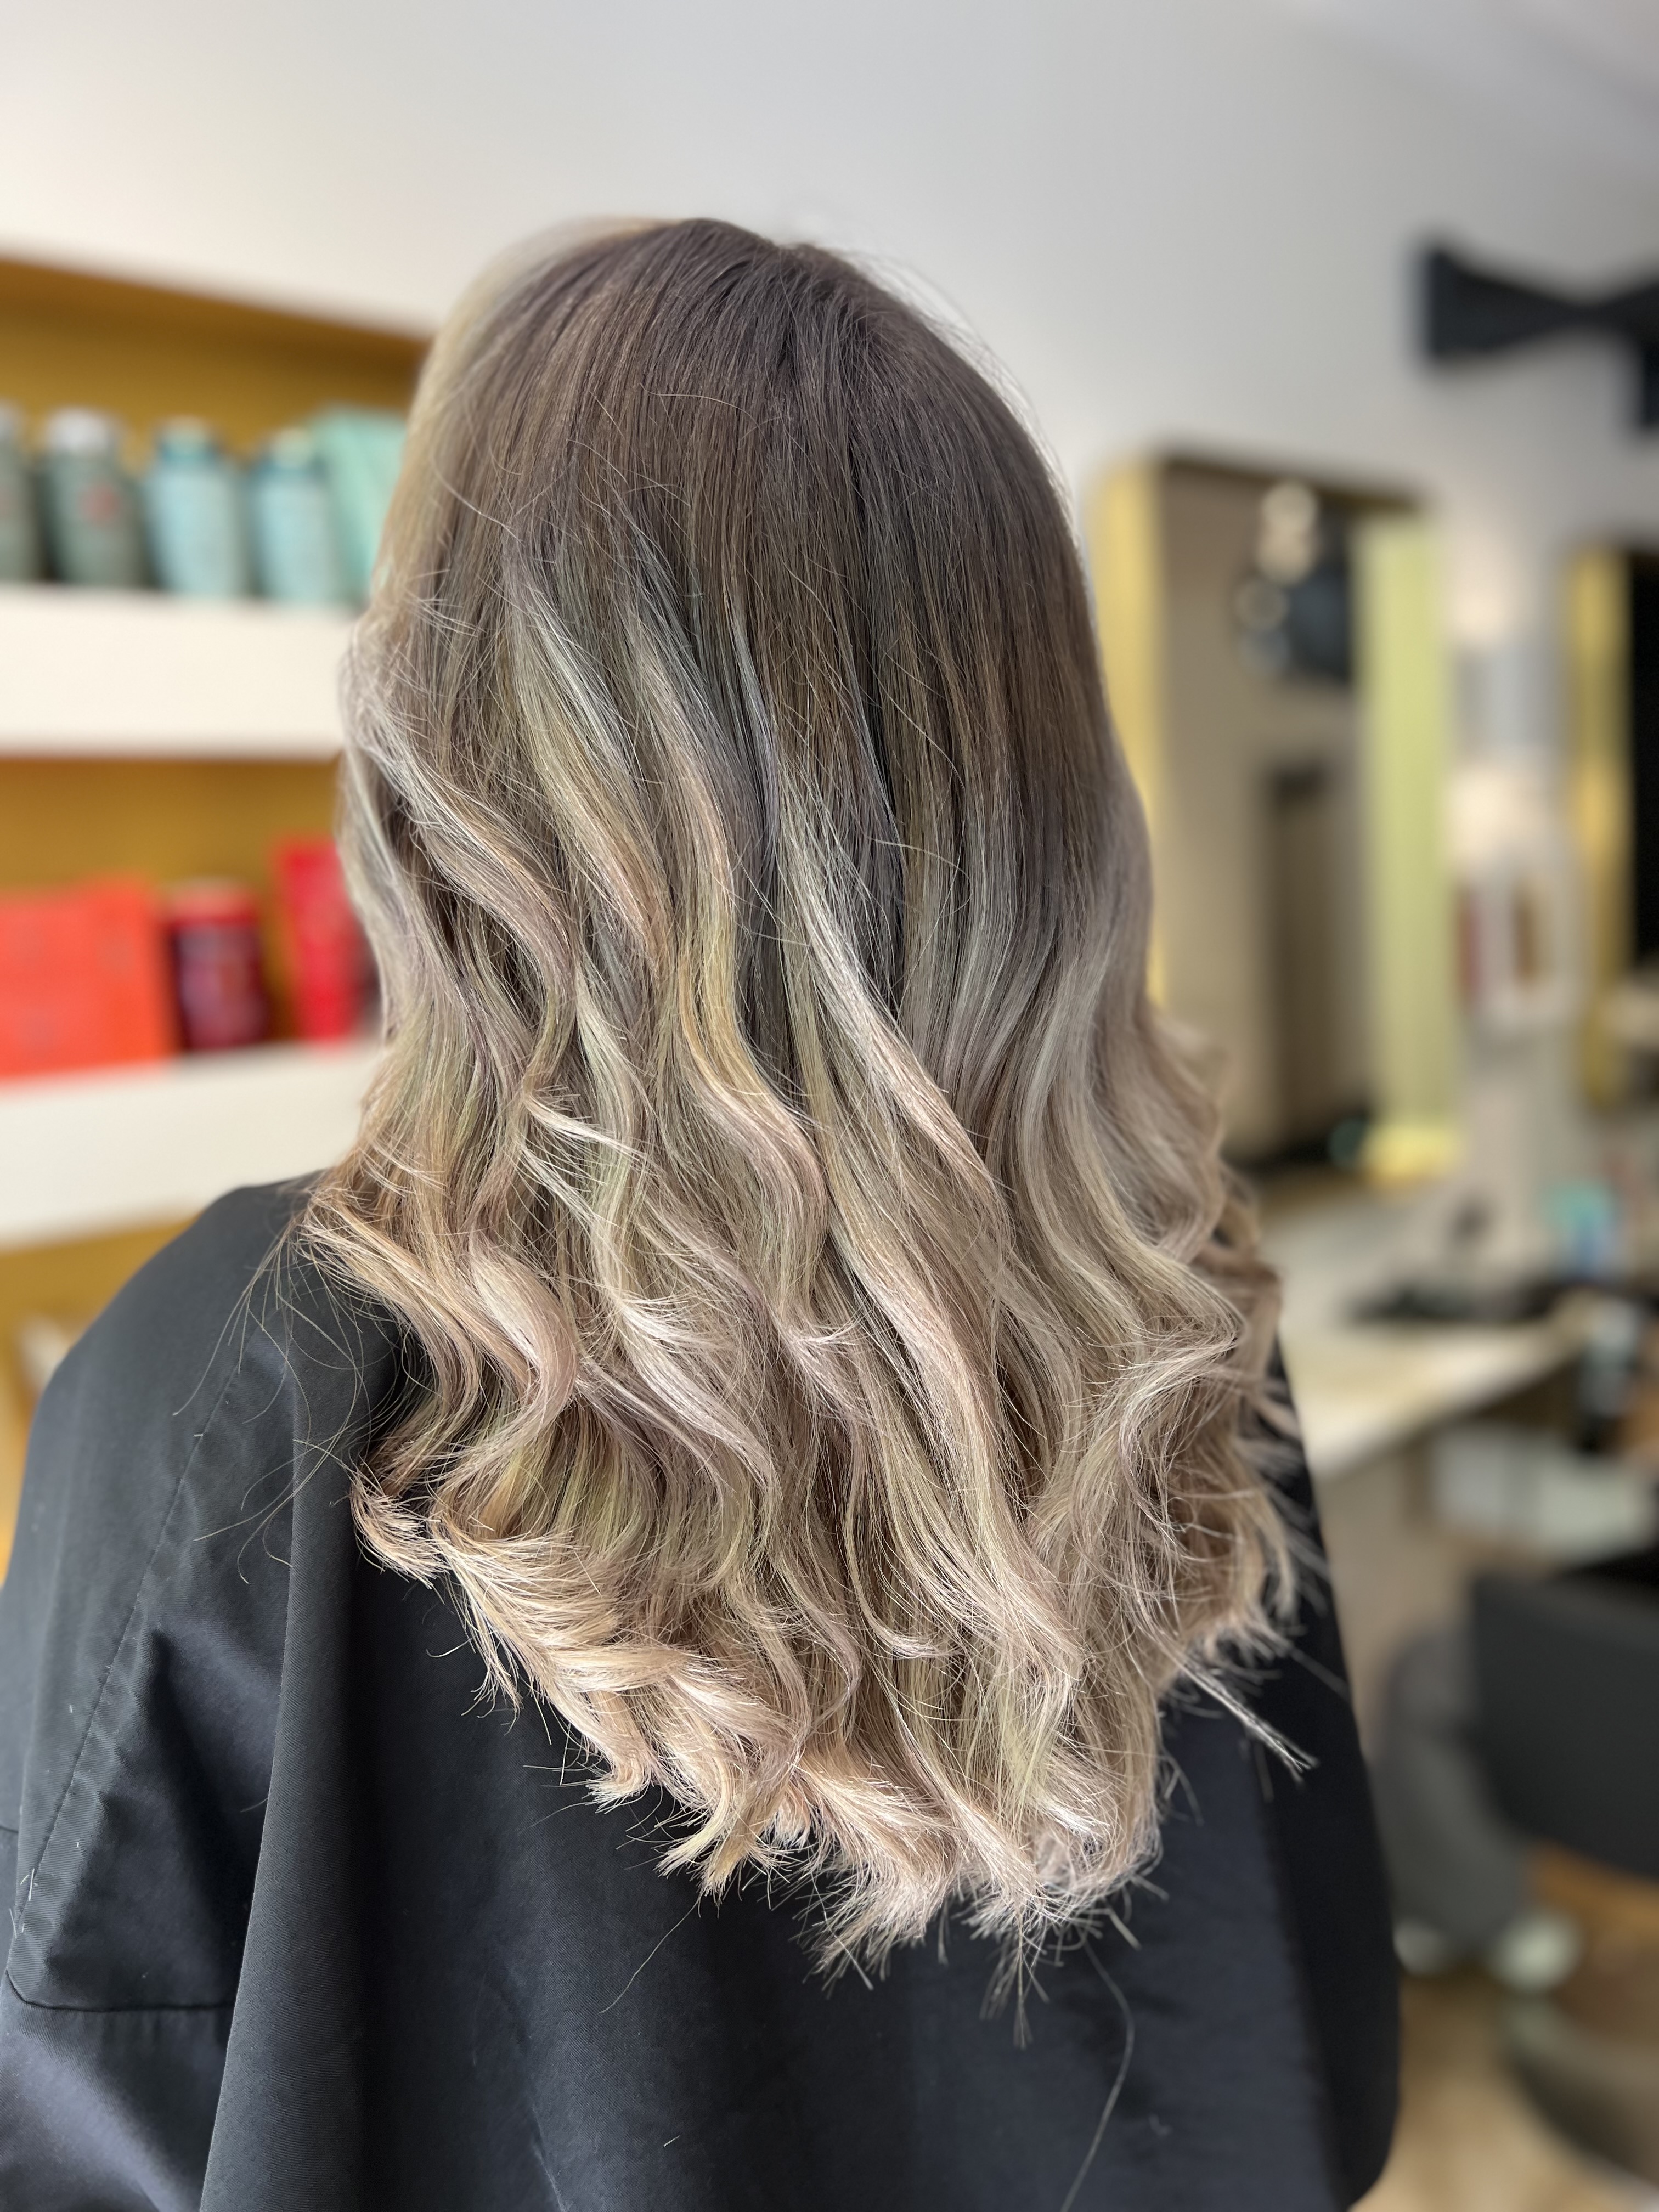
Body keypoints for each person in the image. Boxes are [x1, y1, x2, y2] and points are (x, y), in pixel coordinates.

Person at [0, 219, 1396, 2209]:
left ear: (449, 758)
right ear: (1049, 797)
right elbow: (1318, 2048)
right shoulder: (1176, 1296)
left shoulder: (236, 1374)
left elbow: (73, 2104)